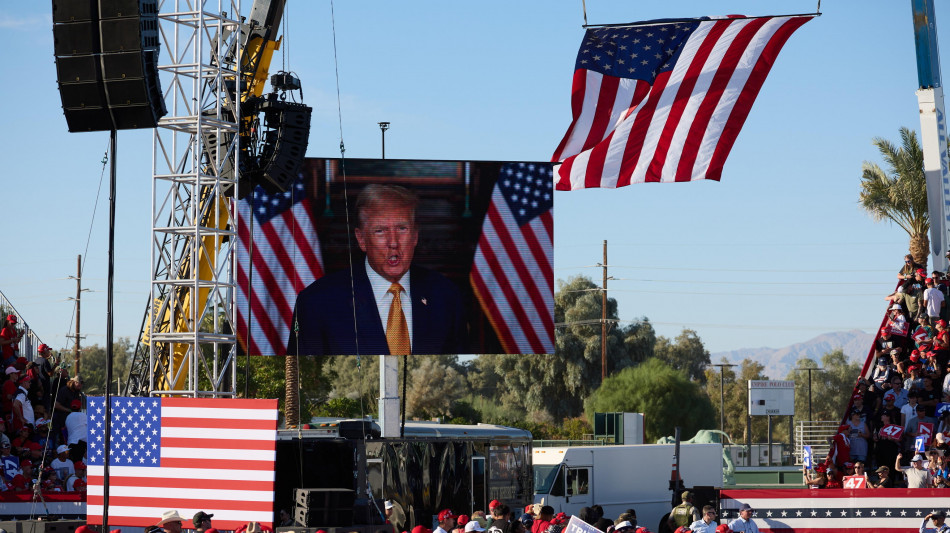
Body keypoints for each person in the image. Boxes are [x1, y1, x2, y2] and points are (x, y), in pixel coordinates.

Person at [288, 184, 468, 356]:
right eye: (380, 231)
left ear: (415, 235)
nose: (393, 243)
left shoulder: (447, 296)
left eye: (402, 229)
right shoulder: (317, 303)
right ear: (361, 239)